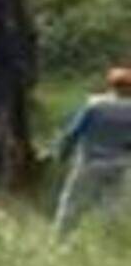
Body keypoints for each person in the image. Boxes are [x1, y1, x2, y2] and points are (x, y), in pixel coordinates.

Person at [52, 67, 131, 237]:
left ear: (110, 84)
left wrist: (61, 153)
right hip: (120, 164)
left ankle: (59, 241)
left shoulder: (95, 105)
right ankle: (109, 243)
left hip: (90, 162)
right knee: (112, 208)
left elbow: (74, 132)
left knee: (72, 204)